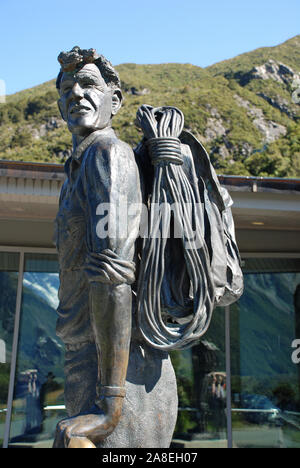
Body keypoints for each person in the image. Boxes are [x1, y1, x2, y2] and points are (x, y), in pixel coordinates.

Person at [53, 47, 178, 448]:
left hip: (124, 376)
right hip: (91, 361)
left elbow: (113, 277)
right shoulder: (76, 168)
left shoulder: (108, 156)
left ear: (115, 101)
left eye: (88, 84)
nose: (76, 94)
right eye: (67, 88)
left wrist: (111, 407)